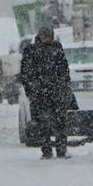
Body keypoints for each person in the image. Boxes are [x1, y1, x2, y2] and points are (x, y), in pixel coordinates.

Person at [20, 26, 74, 159]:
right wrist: (30, 91)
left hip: (56, 92)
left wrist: (65, 86)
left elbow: (64, 69)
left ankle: (61, 150)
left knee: (60, 122)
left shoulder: (56, 48)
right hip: (40, 94)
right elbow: (25, 73)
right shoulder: (31, 51)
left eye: (50, 36)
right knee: (42, 124)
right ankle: (46, 150)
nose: (48, 39)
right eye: (46, 36)